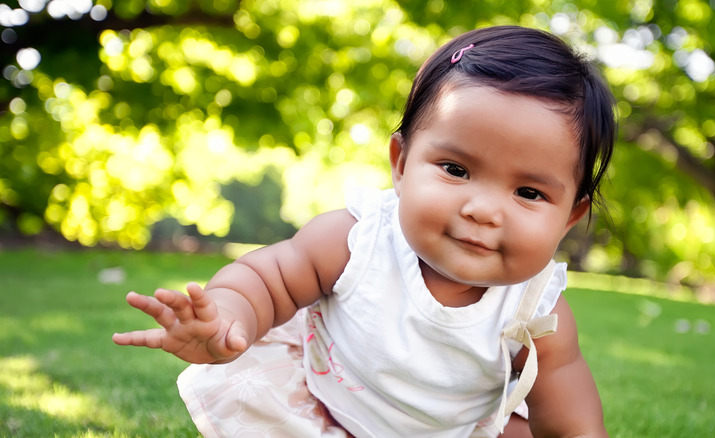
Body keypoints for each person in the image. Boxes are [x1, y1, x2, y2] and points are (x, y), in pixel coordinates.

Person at [113, 25, 615, 437]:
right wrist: (227, 317)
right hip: (325, 408)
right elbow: (269, 280)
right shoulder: (357, 240)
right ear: (401, 164)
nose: (483, 210)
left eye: (529, 193)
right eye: (456, 170)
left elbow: (569, 417)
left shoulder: (538, 311)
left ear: (569, 216)